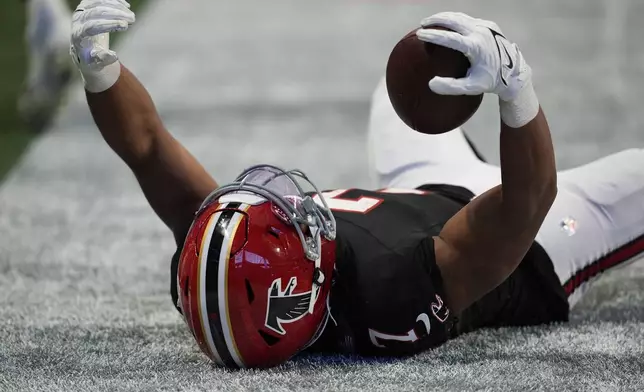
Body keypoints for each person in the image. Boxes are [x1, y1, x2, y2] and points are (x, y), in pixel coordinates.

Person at [70, 0, 644, 369]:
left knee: (405, 86)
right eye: (292, 226)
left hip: (421, 186)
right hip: (534, 245)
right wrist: (517, 91)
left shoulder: (216, 280)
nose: (294, 207)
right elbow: (529, 202)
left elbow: (146, 148)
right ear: (305, 286)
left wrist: (100, 71)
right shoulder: (391, 294)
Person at [20, 0, 74, 132]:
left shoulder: (35, 8)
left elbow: (38, 51)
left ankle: (40, 112)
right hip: (77, 39)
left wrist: (33, 83)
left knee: (35, 99)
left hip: (58, 47)